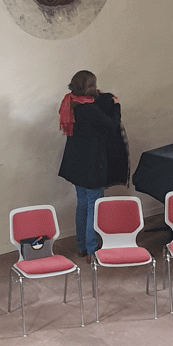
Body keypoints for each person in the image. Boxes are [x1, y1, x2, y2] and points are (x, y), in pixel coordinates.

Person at [57, 70, 129, 261]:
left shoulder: (70, 102)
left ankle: (81, 246)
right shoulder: (89, 110)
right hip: (92, 165)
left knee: (82, 204)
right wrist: (117, 105)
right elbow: (111, 124)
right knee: (94, 206)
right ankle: (92, 249)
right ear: (91, 86)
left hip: (75, 164)